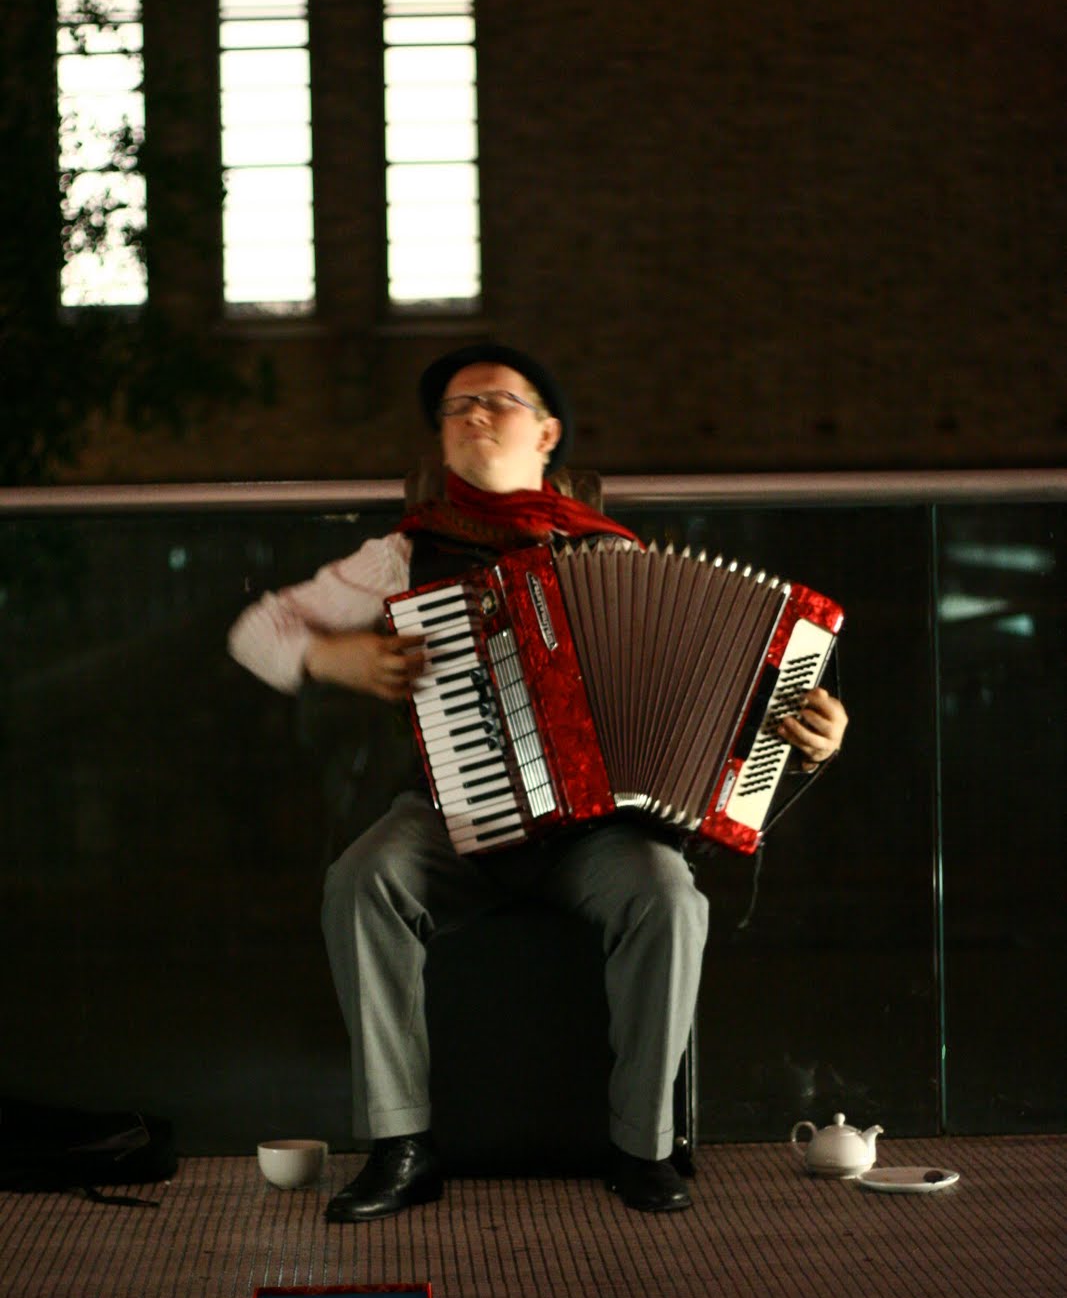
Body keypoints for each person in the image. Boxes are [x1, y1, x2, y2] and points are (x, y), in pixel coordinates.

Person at [227, 343, 848, 1219]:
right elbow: (257, 631)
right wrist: (336, 657)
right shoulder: (403, 554)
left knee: (670, 897)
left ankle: (640, 1147)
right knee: (361, 879)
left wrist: (810, 739)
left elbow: (723, 714)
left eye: (496, 400)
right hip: (453, 817)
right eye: (455, 408)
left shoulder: (615, 556)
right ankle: (401, 1147)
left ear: (547, 433)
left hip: (595, 838)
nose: (473, 415)